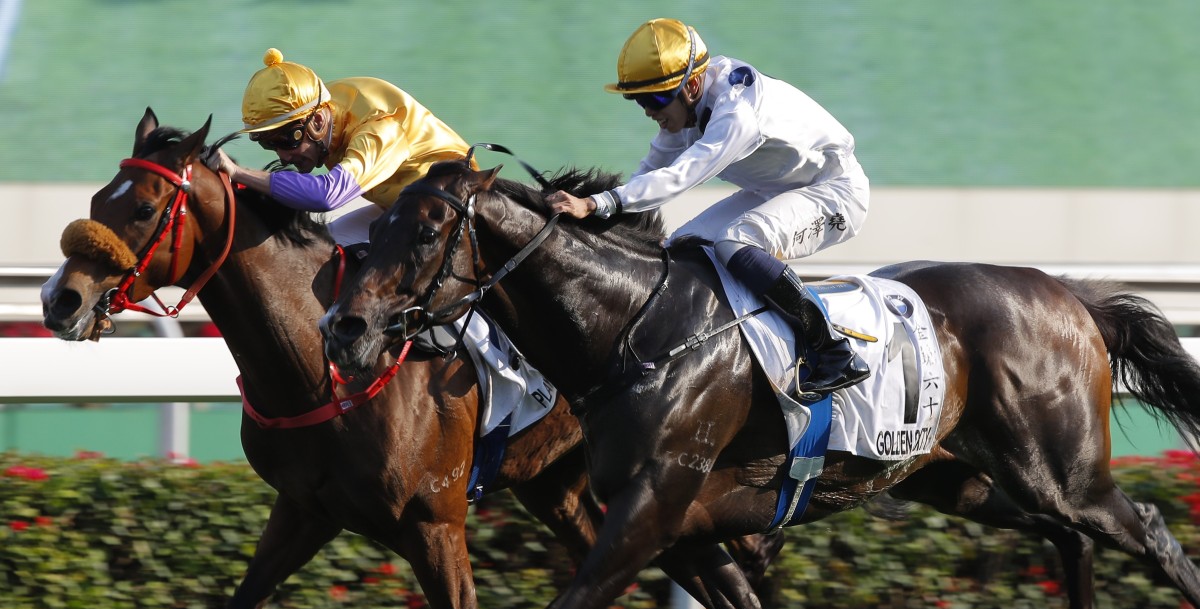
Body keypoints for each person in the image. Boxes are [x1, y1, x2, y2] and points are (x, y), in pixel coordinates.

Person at [546, 19, 870, 398]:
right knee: (680, 247)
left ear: (693, 85)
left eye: (654, 100)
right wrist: (587, 219)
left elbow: (682, 176)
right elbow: (648, 174)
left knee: (736, 242)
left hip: (835, 192)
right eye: (638, 101)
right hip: (776, 190)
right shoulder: (688, 107)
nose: (648, 112)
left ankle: (833, 349)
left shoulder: (737, 115)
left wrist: (595, 203)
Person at [209, 48, 471, 247]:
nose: (283, 156)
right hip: (401, 208)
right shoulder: (323, 107)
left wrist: (238, 172)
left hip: (452, 214)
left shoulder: (379, 129)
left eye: (288, 140)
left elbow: (327, 197)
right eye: (269, 144)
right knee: (325, 247)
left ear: (319, 121)